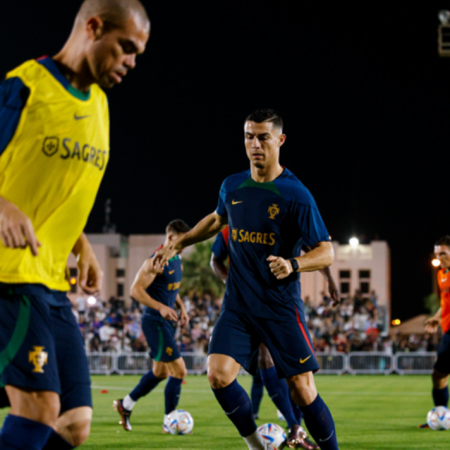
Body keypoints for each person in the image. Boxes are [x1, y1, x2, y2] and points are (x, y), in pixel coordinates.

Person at [0, 1, 150, 449]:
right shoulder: (23, 86)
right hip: (11, 278)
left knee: (74, 423)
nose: (131, 61)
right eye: (126, 47)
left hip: (51, 284)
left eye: (139, 53)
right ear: (93, 26)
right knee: (39, 409)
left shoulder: (100, 107)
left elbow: (56, 193)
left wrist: (82, 245)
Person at [155, 109, 339, 450]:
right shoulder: (232, 185)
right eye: (249, 136)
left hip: (280, 306)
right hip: (238, 305)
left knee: (302, 388)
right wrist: (179, 242)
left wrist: (293, 264)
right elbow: (215, 220)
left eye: (263, 137)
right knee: (218, 374)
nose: (255, 144)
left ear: (280, 140)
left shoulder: (296, 195)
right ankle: (256, 445)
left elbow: (326, 251)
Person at [211, 226, 339, 449]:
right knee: (252, 364)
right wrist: (230, 282)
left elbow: (319, 250)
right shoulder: (230, 223)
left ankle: (295, 428)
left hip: (281, 305)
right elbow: (215, 260)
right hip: (245, 306)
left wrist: (329, 279)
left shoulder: (284, 214)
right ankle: (288, 429)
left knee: (301, 385)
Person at [114, 220, 191, 433]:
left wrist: (181, 308)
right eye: (182, 239)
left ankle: (125, 405)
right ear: (171, 238)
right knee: (179, 370)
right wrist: (161, 308)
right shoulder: (154, 261)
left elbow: (171, 289)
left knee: (160, 373)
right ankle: (169, 421)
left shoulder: (176, 257)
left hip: (166, 321)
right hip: (155, 322)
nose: (185, 244)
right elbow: (135, 290)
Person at [419, 235, 450, 428]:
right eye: (437, 254)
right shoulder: (442, 274)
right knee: (439, 375)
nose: (439, 258)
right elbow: (445, 303)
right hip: (448, 331)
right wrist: (437, 317)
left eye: (444, 254)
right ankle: (441, 416)